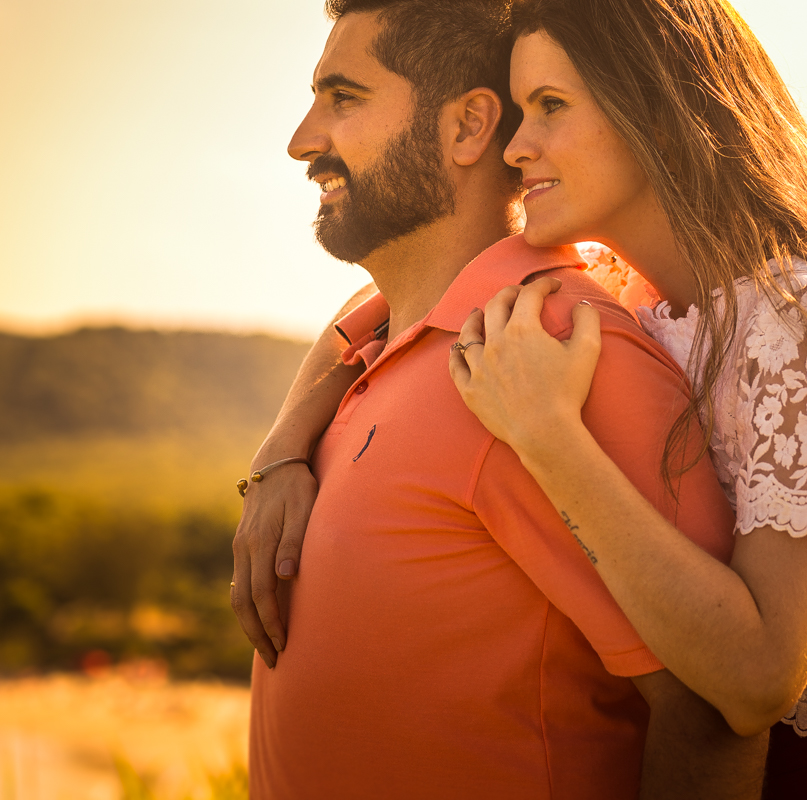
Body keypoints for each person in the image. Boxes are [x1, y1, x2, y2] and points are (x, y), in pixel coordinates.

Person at [231, 0, 767, 797]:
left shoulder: (559, 351)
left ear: (468, 127)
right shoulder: (380, 340)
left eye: (343, 98)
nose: (303, 139)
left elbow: (711, 715)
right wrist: (279, 453)